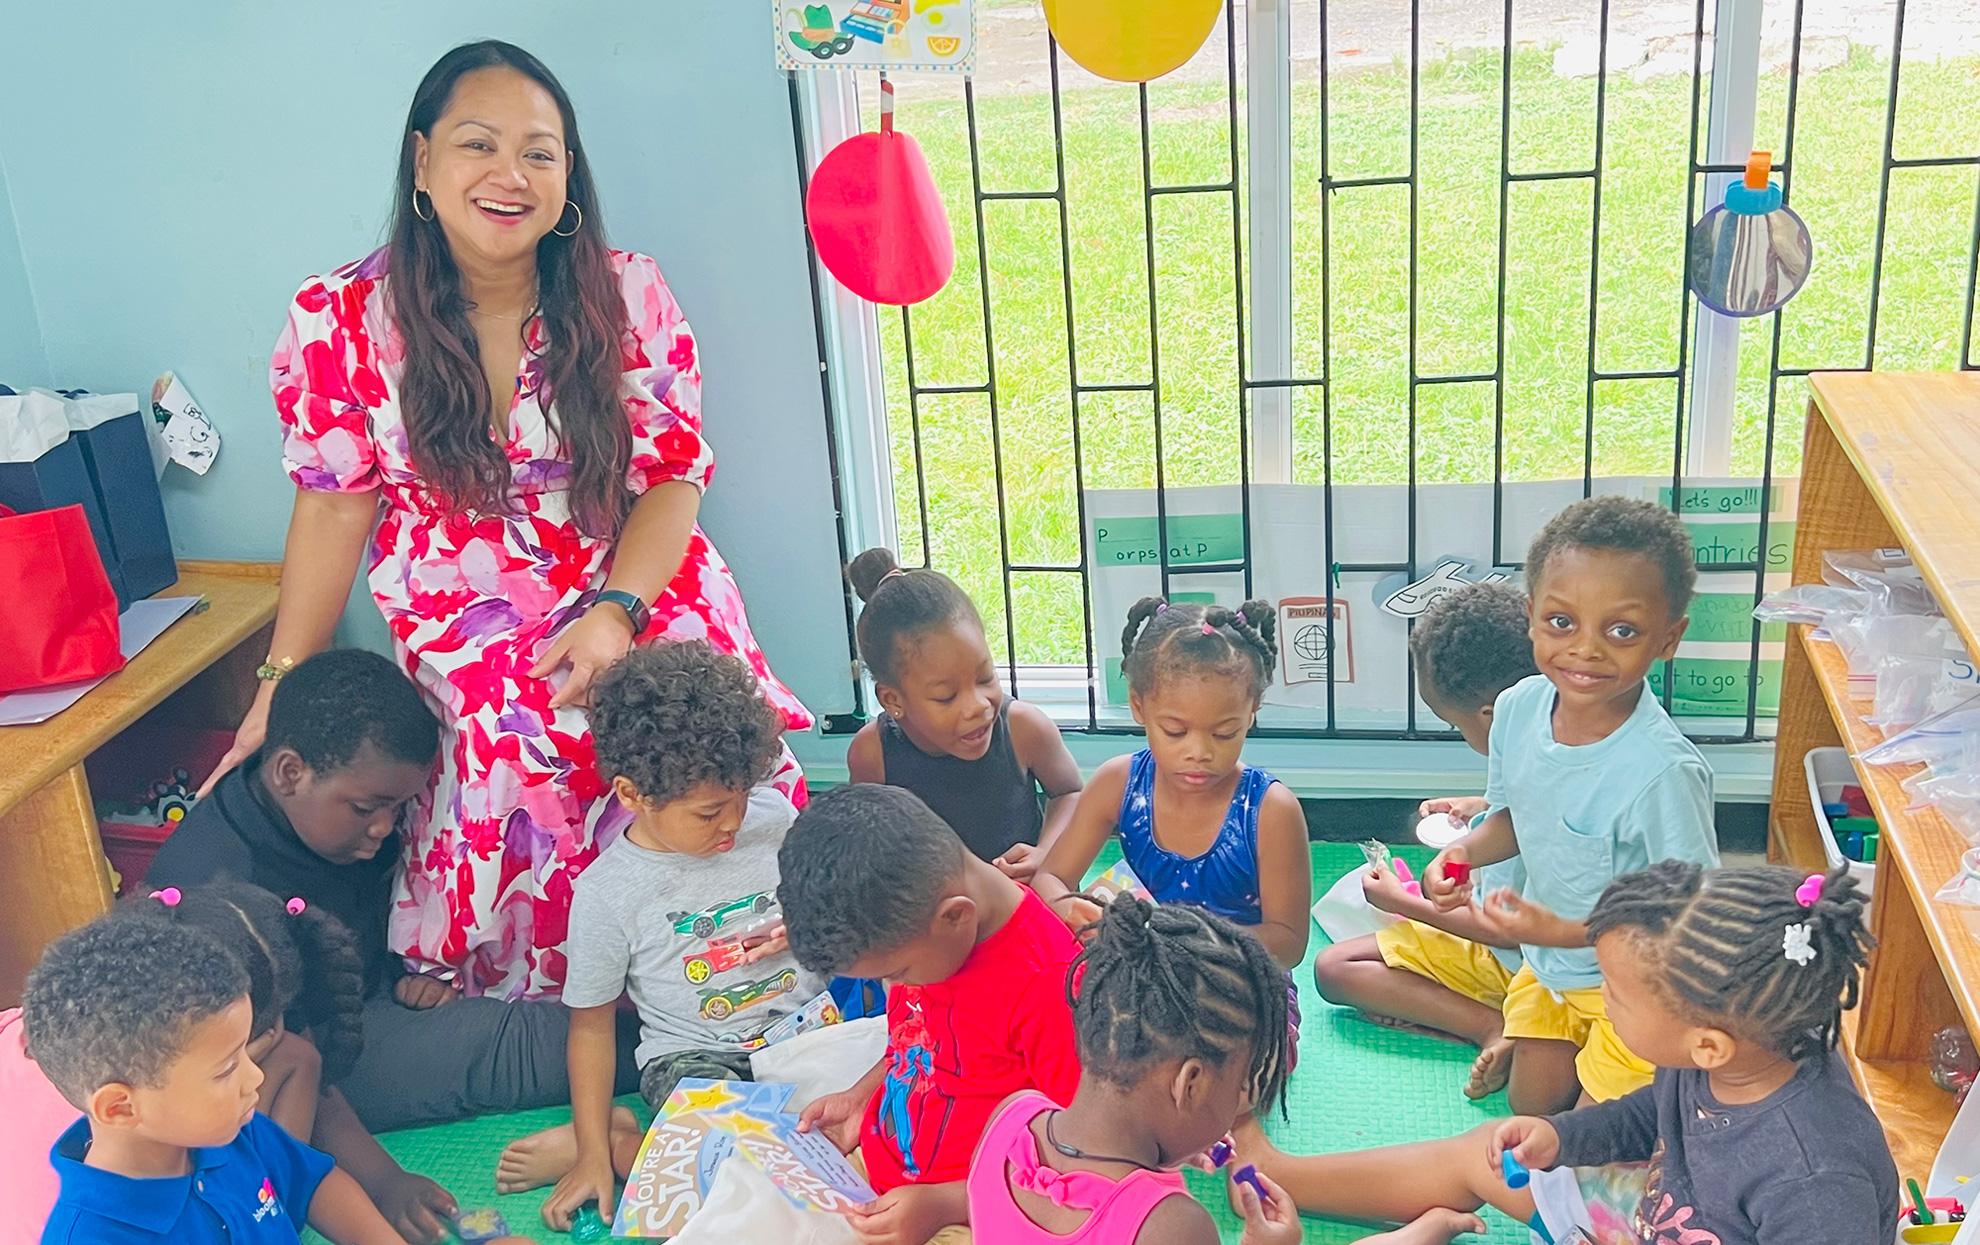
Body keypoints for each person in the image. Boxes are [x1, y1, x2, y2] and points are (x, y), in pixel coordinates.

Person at [209, 38, 810, 1002]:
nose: (510, 174)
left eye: (540, 151)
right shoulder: (336, 319)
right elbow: (331, 505)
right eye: (478, 145)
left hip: (628, 563)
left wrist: (618, 610)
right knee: (520, 724)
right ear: (422, 161)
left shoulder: (628, 292)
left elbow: (672, 479)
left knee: (705, 699)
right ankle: (555, 985)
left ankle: (740, 949)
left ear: (569, 175)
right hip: (461, 588)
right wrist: (275, 684)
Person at [148, 649, 626, 1242]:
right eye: (368, 809)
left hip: (355, 1013)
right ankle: (664, 1069)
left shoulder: (328, 818)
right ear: (290, 772)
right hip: (314, 1068)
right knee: (508, 1046)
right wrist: (382, 1181)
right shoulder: (219, 888)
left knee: (534, 1019)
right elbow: (287, 1064)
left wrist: (406, 969)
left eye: (397, 808)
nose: (383, 828)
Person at [1235, 863, 1899, 1245]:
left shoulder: (1815, 1183)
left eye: (1613, 992)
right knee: (1493, 1146)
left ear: (1707, 1040)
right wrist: (1563, 1134)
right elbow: (1652, 1113)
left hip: (1674, 1220)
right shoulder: (1727, 1055)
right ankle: (1279, 1172)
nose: (1600, 1002)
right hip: (1662, 1207)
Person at [501, 641, 822, 1230]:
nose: (732, 822)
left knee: (865, 1142)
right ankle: (615, 1145)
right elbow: (592, 1027)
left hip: (808, 1034)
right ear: (632, 795)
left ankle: (642, 1142)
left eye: (741, 797)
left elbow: (833, 916)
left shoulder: (775, 818)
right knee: (721, 1189)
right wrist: (595, 1158)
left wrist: (805, 930)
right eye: (708, 812)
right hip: (697, 1059)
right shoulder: (607, 892)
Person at [1421, 496, 1720, 1112]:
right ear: (1531, 616)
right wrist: (1461, 854)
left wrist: (1556, 929)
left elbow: (1685, 918)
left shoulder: (1663, 772)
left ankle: (1672, 1095)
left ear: (1669, 639)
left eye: (1622, 631)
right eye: (1562, 622)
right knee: (1530, 1120)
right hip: (1549, 973)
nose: (1585, 650)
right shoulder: (1517, 709)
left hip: (1636, 993)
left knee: (1590, 1153)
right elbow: (1510, 818)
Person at [969, 896, 1484, 1245]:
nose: (1242, 1103)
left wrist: (1167, 1152)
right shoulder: (1170, 1224)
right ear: (1189, 1084)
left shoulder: (1012, 1118)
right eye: (1241, 1086)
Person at [779, 785, 1084, 1245]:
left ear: (955, 916)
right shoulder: (924, 934)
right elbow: (920, 1039)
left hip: (978, 1211)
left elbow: (1082, 1152)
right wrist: (864, 1096)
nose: (902, 985)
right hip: (884, 1177)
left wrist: (949, 1203)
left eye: (896, 973)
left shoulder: (1048, 985)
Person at [1031, 597, 1312, 1082]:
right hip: (1141, 977)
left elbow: (1288, 944)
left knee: (1227, 1081)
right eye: (1175, 731)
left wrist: (1186, 945)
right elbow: (1050, 878)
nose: (1199, 753)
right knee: (1055, 1039)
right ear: (1139, 706)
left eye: (1224, 733)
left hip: (1236, 987)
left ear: (1252, 711)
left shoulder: (1271, 810)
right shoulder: (1119, 783)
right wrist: (1078, 913)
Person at [22, 916, 407, 1245]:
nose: (254, 1076)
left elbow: (314, 1184)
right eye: (225, 1069)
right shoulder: (90, 1236)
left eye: (245, 1052)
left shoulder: (233, 1134)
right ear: (121, 1108)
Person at [1311, 582, 1535, 1102]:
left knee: (1333, 968)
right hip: (1499, 944)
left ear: (1491, 716)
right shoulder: (1536, 752)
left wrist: (1403, 903)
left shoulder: (1538, 798)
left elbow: (1506, 935)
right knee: (1338, 964)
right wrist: (1478, 806)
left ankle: (1490, 1027)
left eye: (1455, 725)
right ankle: (1499, 1022)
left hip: (1521, 965)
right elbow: (1512, 812)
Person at [844, 548, 1083, 880]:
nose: (978, 706)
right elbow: (865, 845)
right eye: (946, 696)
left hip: (1020, 906)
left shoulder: (1024, 729)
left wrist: (1046, 853)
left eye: (985, 678)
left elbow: (1070, 792)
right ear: (892, 699)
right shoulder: (873, 754)